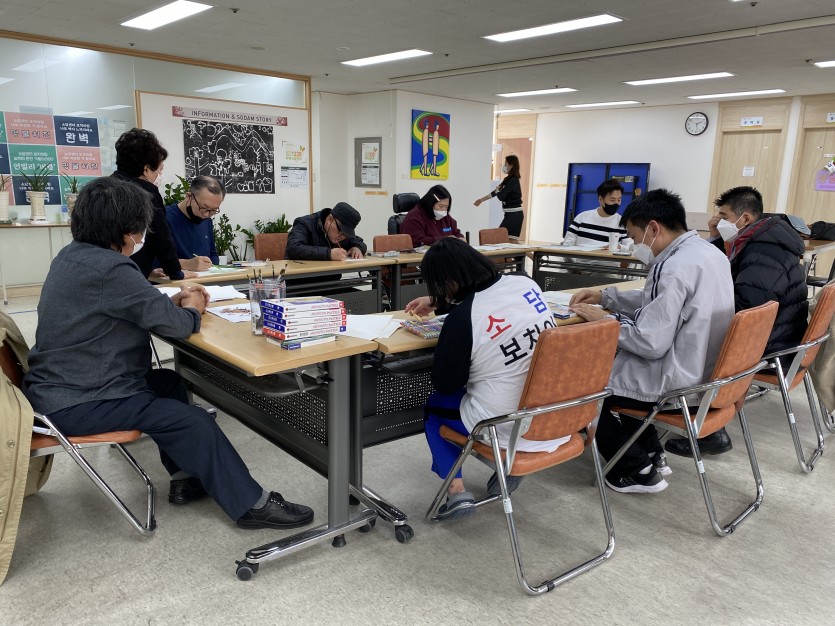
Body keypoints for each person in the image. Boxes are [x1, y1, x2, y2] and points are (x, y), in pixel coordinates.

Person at [22, 177, 314, 530]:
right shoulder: (112, 268)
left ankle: (184, 478)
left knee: (169, 383)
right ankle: (251, 505)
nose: (142, 234)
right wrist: (191, 308)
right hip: (78, 401)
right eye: (140, 227)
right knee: (194, 420)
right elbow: (177, 327)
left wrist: (172, 301)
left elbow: (128, 305)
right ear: (124, 229)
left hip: (58, 386)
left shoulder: (73, 257)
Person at [569, 189, 734, 493]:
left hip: (680, 381)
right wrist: (607, 297)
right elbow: (657, 302)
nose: (635, 246)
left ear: (653, 228)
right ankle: (652, 454)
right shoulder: (708, 253)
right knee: (623, 370)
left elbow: (649, 343)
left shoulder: (673, 267)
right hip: (710, 376)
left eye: (635, 237)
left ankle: (633, 469)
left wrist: (605, 322)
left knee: (579, 386)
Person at [404, 238, 566, 520]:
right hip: (559, 417)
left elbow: (446, 384)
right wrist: (440, 302)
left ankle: (457, 493)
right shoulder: (526, 283)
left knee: (436, 407)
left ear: (450, 283)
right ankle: (508, 470)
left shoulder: (462, 318)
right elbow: (492, 302)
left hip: (511, 428)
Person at [664, 186, 808, 457]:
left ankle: (708, 429)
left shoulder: (764, 251)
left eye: (723, 216)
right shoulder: (761, 239)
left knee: (686, 340)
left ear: (745, 219)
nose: (717, 220)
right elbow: (720, 270)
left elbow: (747, 312)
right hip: (781, 334)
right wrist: (716, 238)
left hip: (772, 345)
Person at [110, 127, 195, 280]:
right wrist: (175, 272)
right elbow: (161, 237)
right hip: (130, 275)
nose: (160, 174)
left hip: (102, 269)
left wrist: (147, 271)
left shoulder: (101, 187)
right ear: (146, 169)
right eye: (159, 169)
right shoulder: (146, 192)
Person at [165, 175, 224, 271]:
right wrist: (186, 264)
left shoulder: (206, 219)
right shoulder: (164, 218)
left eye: (213, 210)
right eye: (203, 208)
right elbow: (150, 262)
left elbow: (212, 254)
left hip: (206, 278)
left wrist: (212, 265)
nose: (206, 215)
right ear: (189, 197)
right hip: (175, 280)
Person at [285, 202, 366, 260]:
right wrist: (328, 253)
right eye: (340, 231)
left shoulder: (343, 235)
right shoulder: (304, 223)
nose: (342, 237)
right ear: (330, 219)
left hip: (330, 277)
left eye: (345, 234)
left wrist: (357, 248)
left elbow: (359, 242)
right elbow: (293, 248)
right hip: (301, 277)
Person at [562, 179, 627, 247]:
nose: (616, 203)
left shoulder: (622, 223)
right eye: (612, 200)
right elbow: (567, 244)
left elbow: (630, 247)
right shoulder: (582, 217)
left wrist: (619, 247)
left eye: (619, 200)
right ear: (601, 199)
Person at [473, 155, 524, 241]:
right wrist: (481, 200)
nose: (504, 166)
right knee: (512, 241)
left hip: (514, 215)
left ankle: (531, 250)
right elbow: (495, 192)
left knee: (500, 238)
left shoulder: (513, 180)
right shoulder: (508, 179)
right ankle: (530, 250)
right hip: (513, 214)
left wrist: (497, 191)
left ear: (511, 165)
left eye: (506, 164)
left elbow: (501, 196)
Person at [400, 185, 464, 248]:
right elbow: (417, 241)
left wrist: (460, 238)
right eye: (441, 206)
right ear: (431, 203)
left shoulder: (445, 216)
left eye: (446, 207)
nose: (444, 210)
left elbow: (456, 233)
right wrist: (443, 240)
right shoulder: (414, 217)